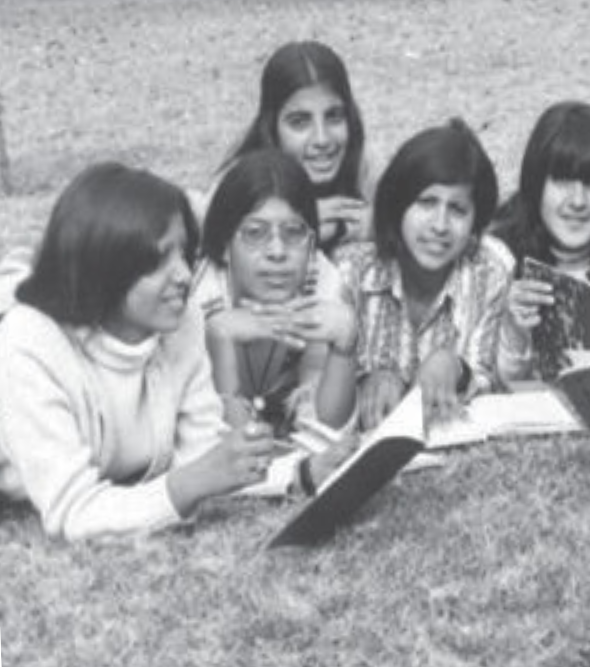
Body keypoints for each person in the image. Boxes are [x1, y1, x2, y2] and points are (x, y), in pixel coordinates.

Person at [0, 164, 338, 541]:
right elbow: (73, 511)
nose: (184, 276)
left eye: (184, 253)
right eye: (158, 259)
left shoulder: (182, 321)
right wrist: (187, 485)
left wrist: (300, 473)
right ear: (104, 265)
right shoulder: (29, 342)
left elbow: (206, 459)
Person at [335, 119, 511, 429]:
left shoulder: (490, 272)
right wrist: (366, 380)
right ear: (398, 205)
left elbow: (487, 377)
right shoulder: (350, 271)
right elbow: (323, 379)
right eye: (427, 203)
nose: (440, 225)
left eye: (457, 209)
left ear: (475, 222)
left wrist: (455, 367)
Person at [193, 150, 359, 432]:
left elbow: (327, 429)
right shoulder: (198, 298)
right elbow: (216, 438)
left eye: (293, 232)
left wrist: (344, 348)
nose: (278, 252)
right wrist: (219, 339)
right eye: (255, 233)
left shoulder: (322, 281)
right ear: (224, 246)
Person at [493, 102, 590, 382]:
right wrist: (513, 331)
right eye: (562, 181)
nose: (577, 201)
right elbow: (495, 384)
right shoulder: (498, 257)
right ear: (536, 183)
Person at [222, 40, 378, 255]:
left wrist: (380, 227)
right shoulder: (236, 185)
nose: (322, 139)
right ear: (272, 128)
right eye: (300, 122)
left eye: (334, 116)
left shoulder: (365, 167)